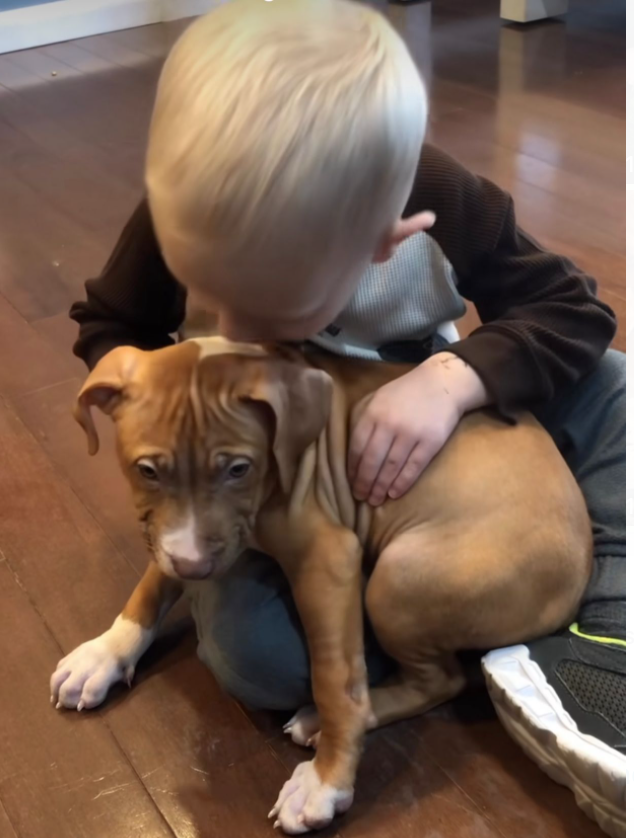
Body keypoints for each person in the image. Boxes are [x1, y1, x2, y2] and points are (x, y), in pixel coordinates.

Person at [69, 1, 625, 834]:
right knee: (257, 664)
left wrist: (455, 379)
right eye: (218, 302)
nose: (243, 335)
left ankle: (603, 627)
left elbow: (575, 311)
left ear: (384, 241)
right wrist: (146, 382)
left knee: (611, 383)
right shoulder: (185, 203)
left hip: (418, 386)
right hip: (244, 433)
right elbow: (108, 327)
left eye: (274, 312)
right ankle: (469, 636)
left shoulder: (445, 200)